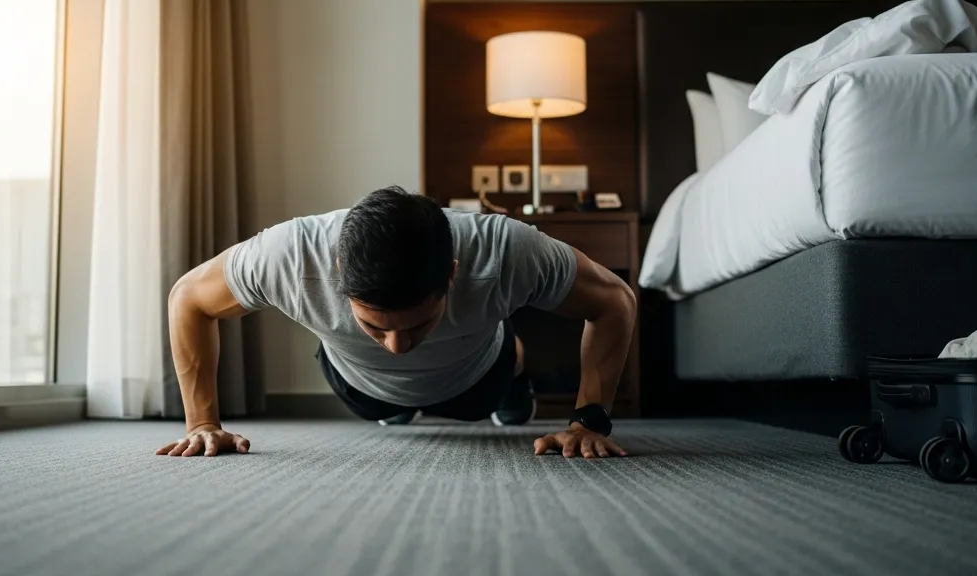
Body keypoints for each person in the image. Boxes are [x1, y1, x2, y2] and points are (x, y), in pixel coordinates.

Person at [156, 186, 637, 459]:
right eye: (375, 327)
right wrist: (202, 423)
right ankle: (395, 401)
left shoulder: (507, 252)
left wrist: (588, 421)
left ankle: (516, 379)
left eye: (415, 326)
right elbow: (188, 299)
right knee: (380, 405)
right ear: (339, 275)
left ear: (451, 275)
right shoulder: (289, 256)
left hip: (477, 381)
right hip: (358, 387)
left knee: (500, 372)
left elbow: (614, 300)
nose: (396, 347)